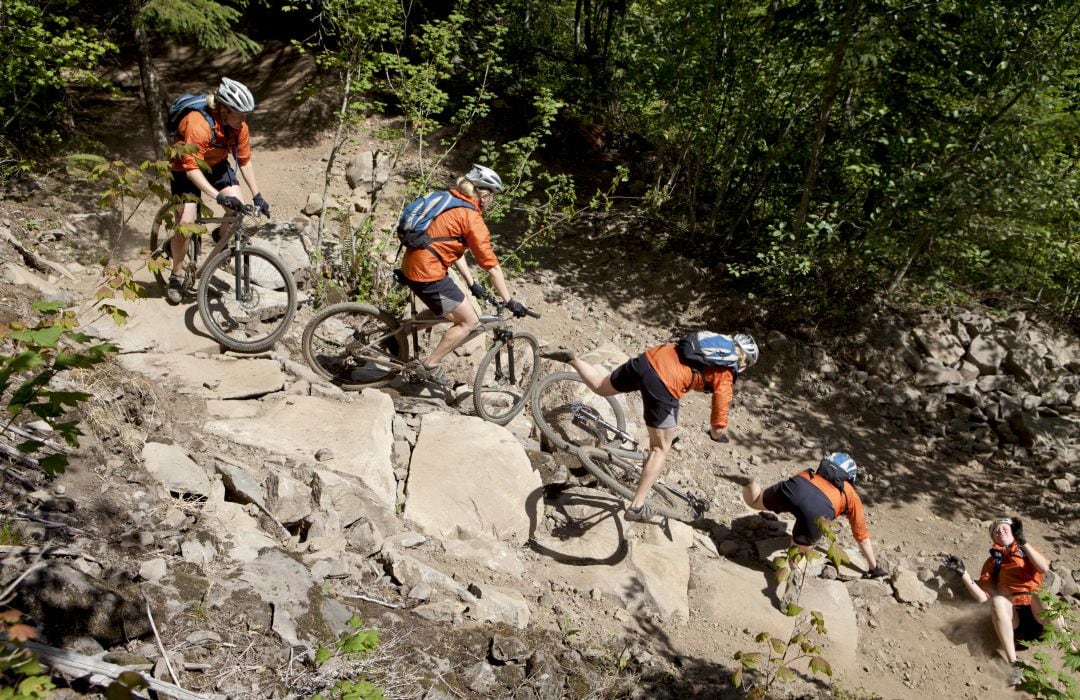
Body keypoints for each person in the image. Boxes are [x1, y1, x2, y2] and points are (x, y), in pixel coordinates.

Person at [541, 333, 759, 522]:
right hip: (665, 382)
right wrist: (716, 433)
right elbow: (720, 411)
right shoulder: (726, 371)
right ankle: (637, 506)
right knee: (660, 449)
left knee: (602, 386)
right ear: (744, 361)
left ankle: (572, 358)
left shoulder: (709, 345)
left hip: (649, 359)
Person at [399, 164, 530, 384]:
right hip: (427, 272)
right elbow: (492, 266)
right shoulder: (471, 217)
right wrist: (509, 301)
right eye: (492, 196)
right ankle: (430, 366)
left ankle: (398, 334)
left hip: (417, 265)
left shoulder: (452, 202)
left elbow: (451, 246)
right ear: (483, 193)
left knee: (446, 313)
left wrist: (471, 283)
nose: (492, 201)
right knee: (469, 321)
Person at [166, 77, 269, 304]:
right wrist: (218, 196)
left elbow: (244, 161)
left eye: (245, 114)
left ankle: (219, 236)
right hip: (185, 168)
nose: (243, 119)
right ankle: (176, 274)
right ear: (224, 109)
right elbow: (192, 170)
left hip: (216, 163)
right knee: (185, 224)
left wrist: (257, 195)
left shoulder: (239, 127)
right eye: (239, 113)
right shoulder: (198, 123)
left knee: (238, 207)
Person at [742, 452, 888, 605]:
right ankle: (793, 578)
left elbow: (800, 499)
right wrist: (874, 568)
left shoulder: (809, 473)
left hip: (798, 484)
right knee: (799, 552)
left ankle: (749, 483)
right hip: (821, 508)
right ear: (849, 478)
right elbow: (862, 537)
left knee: (756, 500)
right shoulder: (851, 494)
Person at [943, 516, 1061, 687]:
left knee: (1040, 596)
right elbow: (984, 598)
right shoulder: (993, 562)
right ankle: (1014, 664)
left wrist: (1023, 542)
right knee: (998, 601)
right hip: (1015, 621)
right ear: (994, 539)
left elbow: (1043, 567)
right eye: (996, 531)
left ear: (1014, 532)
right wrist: (964, 574)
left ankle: (1073, 650)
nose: (1000, 530)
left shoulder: (1026, 551)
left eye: (1005, 527)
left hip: (1039, 616)